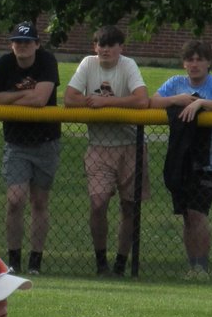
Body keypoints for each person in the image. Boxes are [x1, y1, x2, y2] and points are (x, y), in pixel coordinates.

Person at [63, 25, 150, 276]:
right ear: (94, 47)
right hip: (99, 146)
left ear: (120, 48)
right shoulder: (88, 64)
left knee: (129, 207)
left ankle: (121, 264)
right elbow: (69, 98)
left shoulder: (128, 65)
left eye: (111, 45)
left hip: (131, 145)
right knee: (98, 203)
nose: (105, 49)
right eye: (101, 44)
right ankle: (101, 262)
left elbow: (141, 100)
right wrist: (95, 104)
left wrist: (105, 102)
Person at [150, 40, 212, 278]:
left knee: (198, 212)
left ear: (209, 62)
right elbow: (152, 101)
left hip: (211, 162)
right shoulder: (176, 83)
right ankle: (194, 267)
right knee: (188, 216)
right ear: (184, 63)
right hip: (182, 160)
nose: (195, 64)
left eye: (200, 59)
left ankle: (202, 267)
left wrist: (201, 102)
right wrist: (176, 99)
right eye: (190, 59)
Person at [0, 21, 62, 275]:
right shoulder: (4, 64)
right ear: (12, 44)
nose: (22, 46)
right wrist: (22, 97)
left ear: (37, 45)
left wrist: (10, 96)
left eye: (28, 42)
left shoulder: (47, 61)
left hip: (46, 141)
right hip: (16, 142)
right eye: (18, 42)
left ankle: (35, 262)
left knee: (39, 201)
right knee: (16, 200)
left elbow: (40, 100)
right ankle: (14, 260)